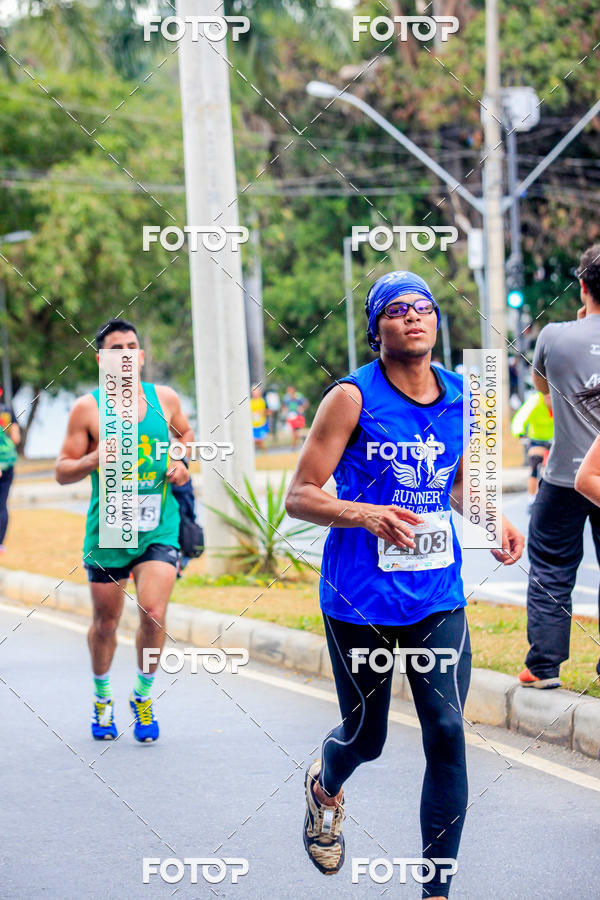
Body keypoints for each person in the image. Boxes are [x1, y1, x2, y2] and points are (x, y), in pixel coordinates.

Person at [285, 270, 524, 897]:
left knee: (446, 732)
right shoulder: (350, 399)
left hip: (435, 595)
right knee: (367, 737)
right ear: (376, 330)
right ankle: (324, 785)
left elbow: (459, 480)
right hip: (358, 598)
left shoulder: (469, 394)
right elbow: (300, 497)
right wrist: (367, 513)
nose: (413, 316)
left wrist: (491, 515)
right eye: (396, 309)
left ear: (438, 322)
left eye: (424, 306)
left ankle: (435, 892)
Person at [55, 318, 193, 742]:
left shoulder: (164, 399)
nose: (126, 355)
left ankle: (143, 694)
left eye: (132, 347)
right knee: (106, 622)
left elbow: (185, 434)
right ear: (102, 360)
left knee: (153, 612)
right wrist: (91, 460)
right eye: (116, 349)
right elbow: (62, 471)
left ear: (142, 355)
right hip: (109, 531)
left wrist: (180, 461)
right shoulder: (88, 409)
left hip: (158, 527)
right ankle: (102, 697)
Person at [520, 244, 600, 689]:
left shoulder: (554, 336)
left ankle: (544, 667)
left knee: (551, 568)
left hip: (565, 476)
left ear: (583, 287)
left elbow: (542, 389)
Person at [510, 391, 554, 510]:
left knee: (553, 469)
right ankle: (531, 498)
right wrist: (519, 432)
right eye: (547, 396)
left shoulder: (558, 400)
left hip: (554, 439)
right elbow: (521, 417)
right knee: (535, 465)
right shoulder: (535, 401)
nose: (550, 399)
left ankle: (549, 496)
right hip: (537, 440)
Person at [0, 386, 20, 551]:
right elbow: (16, 438)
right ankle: (0, 544)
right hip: (8, 463)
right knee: (2, 503)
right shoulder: (7, 412)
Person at [250, 385, 269, 451]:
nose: (255, 393)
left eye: (256, 391)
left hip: (262, 425)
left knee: (260, 441)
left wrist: (262, 412)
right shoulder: (250, 402)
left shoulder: (263, 401)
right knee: (254, 441)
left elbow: (269, 412)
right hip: (253, 425)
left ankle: (264, 453)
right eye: (254, 391)